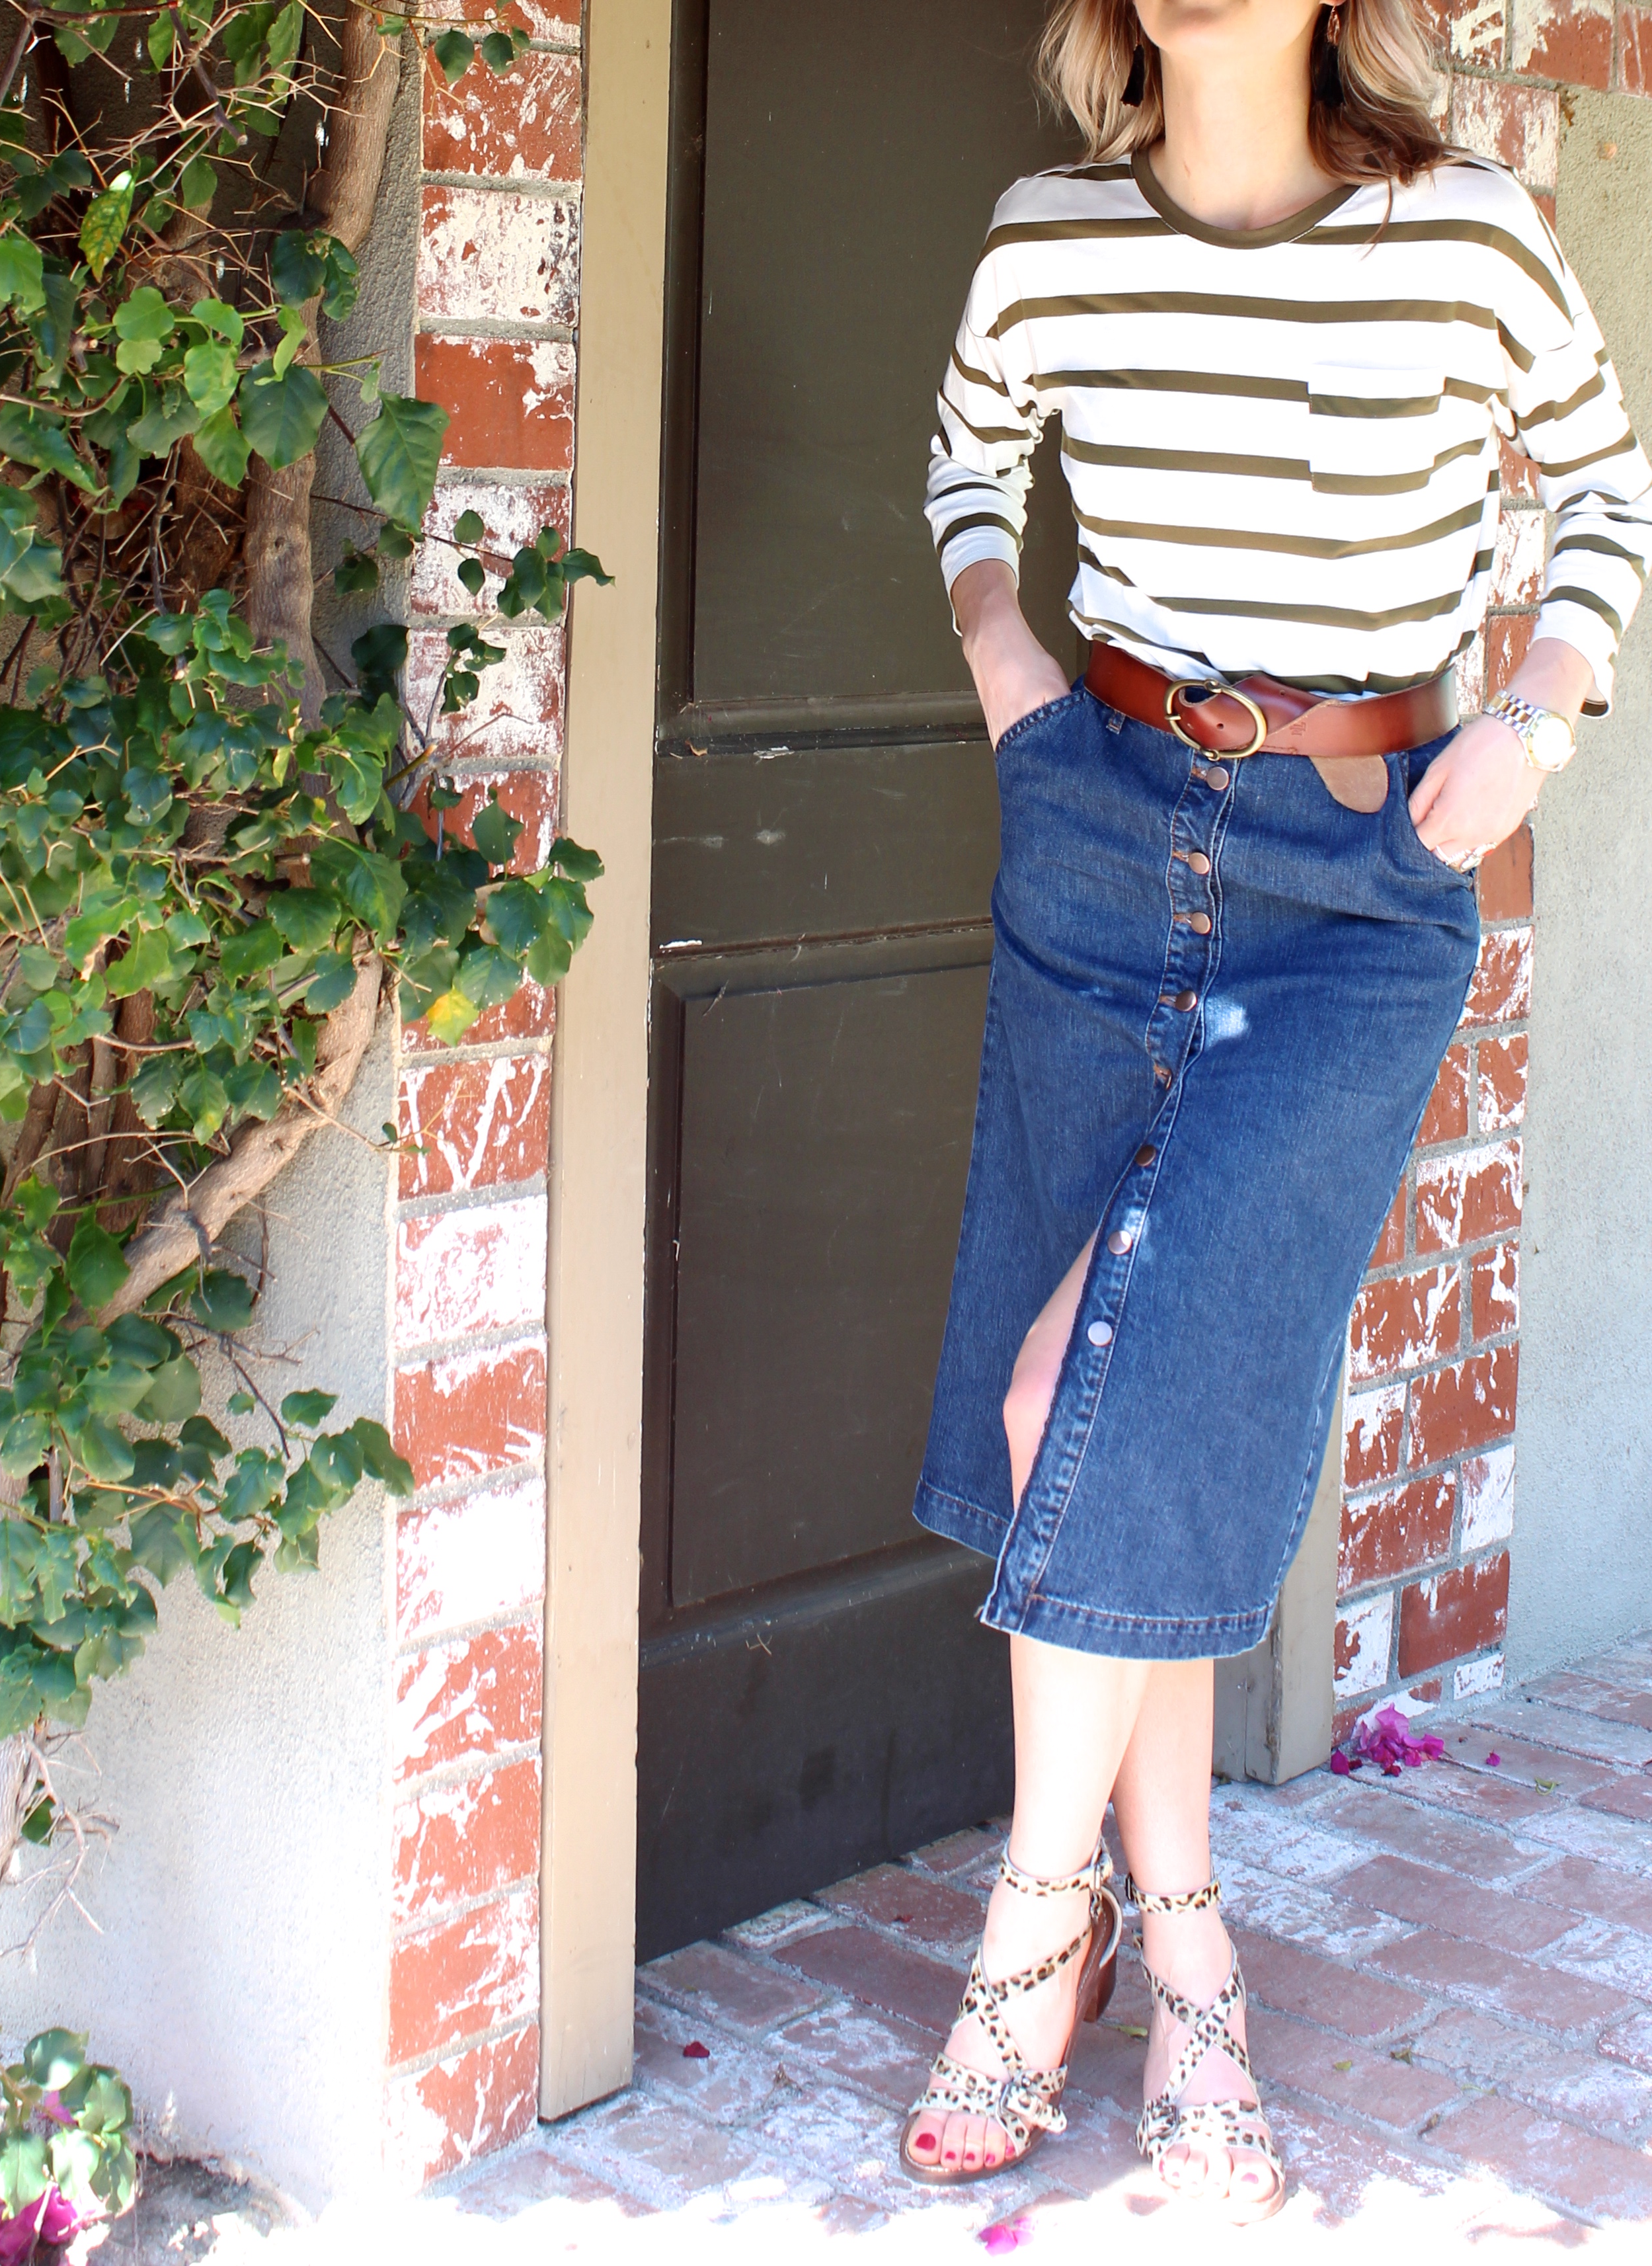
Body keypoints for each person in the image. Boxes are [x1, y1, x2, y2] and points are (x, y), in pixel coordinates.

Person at [900, 0, 1652, 2223]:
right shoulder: (1049, 240)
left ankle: (1040, 1944)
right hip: (1107, 832)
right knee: (1109, 1415)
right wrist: (1005, 665)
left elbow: (1609, 486)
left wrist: (1533, 719)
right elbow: (965, 462)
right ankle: (1188, 1954)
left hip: (1359, 880)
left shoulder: (1470, 234)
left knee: (1093, 1383)